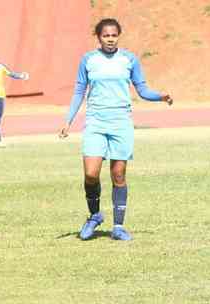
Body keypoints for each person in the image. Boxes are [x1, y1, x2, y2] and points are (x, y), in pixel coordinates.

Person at [59, 18, 173, 241]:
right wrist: (68, 121)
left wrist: (160, 96)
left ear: (118, 36)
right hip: (96, 122)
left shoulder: (129, 59)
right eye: (105, 35)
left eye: (113, 35)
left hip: (121, 122)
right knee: (91, 174)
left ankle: (118, 227)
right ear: (98, 37)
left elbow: (142, 89)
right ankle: (94, 216)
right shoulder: (88, 60)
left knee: (118, 174)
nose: (110, 39)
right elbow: (79, 91)